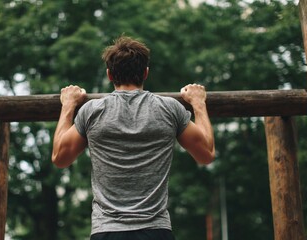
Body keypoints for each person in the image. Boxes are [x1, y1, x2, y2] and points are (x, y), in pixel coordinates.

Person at [52, 36, 215, 240]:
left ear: (110, 75)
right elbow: (206, 155)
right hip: (156, 232)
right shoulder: (169, 108)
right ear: (145, 73)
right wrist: (199, 104)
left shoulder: (92, 111)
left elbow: (60, 158)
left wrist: (68, 105)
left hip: (107, 232)